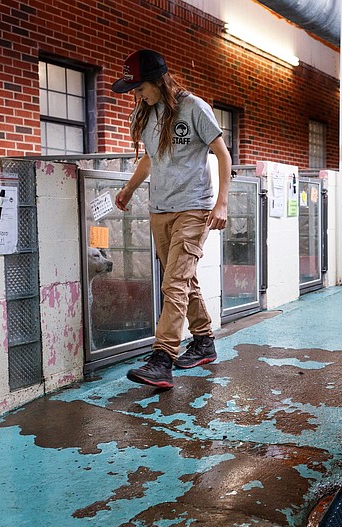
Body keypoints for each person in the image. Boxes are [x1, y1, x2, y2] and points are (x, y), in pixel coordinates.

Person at [111, 49, 231, 389]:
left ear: (156, 81)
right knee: (183, 278)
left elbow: (223, 155)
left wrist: (221, 204)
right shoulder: (148, 114)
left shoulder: (194, 108)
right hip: (159, 210)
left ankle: (163, 358)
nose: (137, 95)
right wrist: (130, 189)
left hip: (194, 207)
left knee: (174, 283)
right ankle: (204, 342)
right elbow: (151, 158)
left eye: (139, 88)